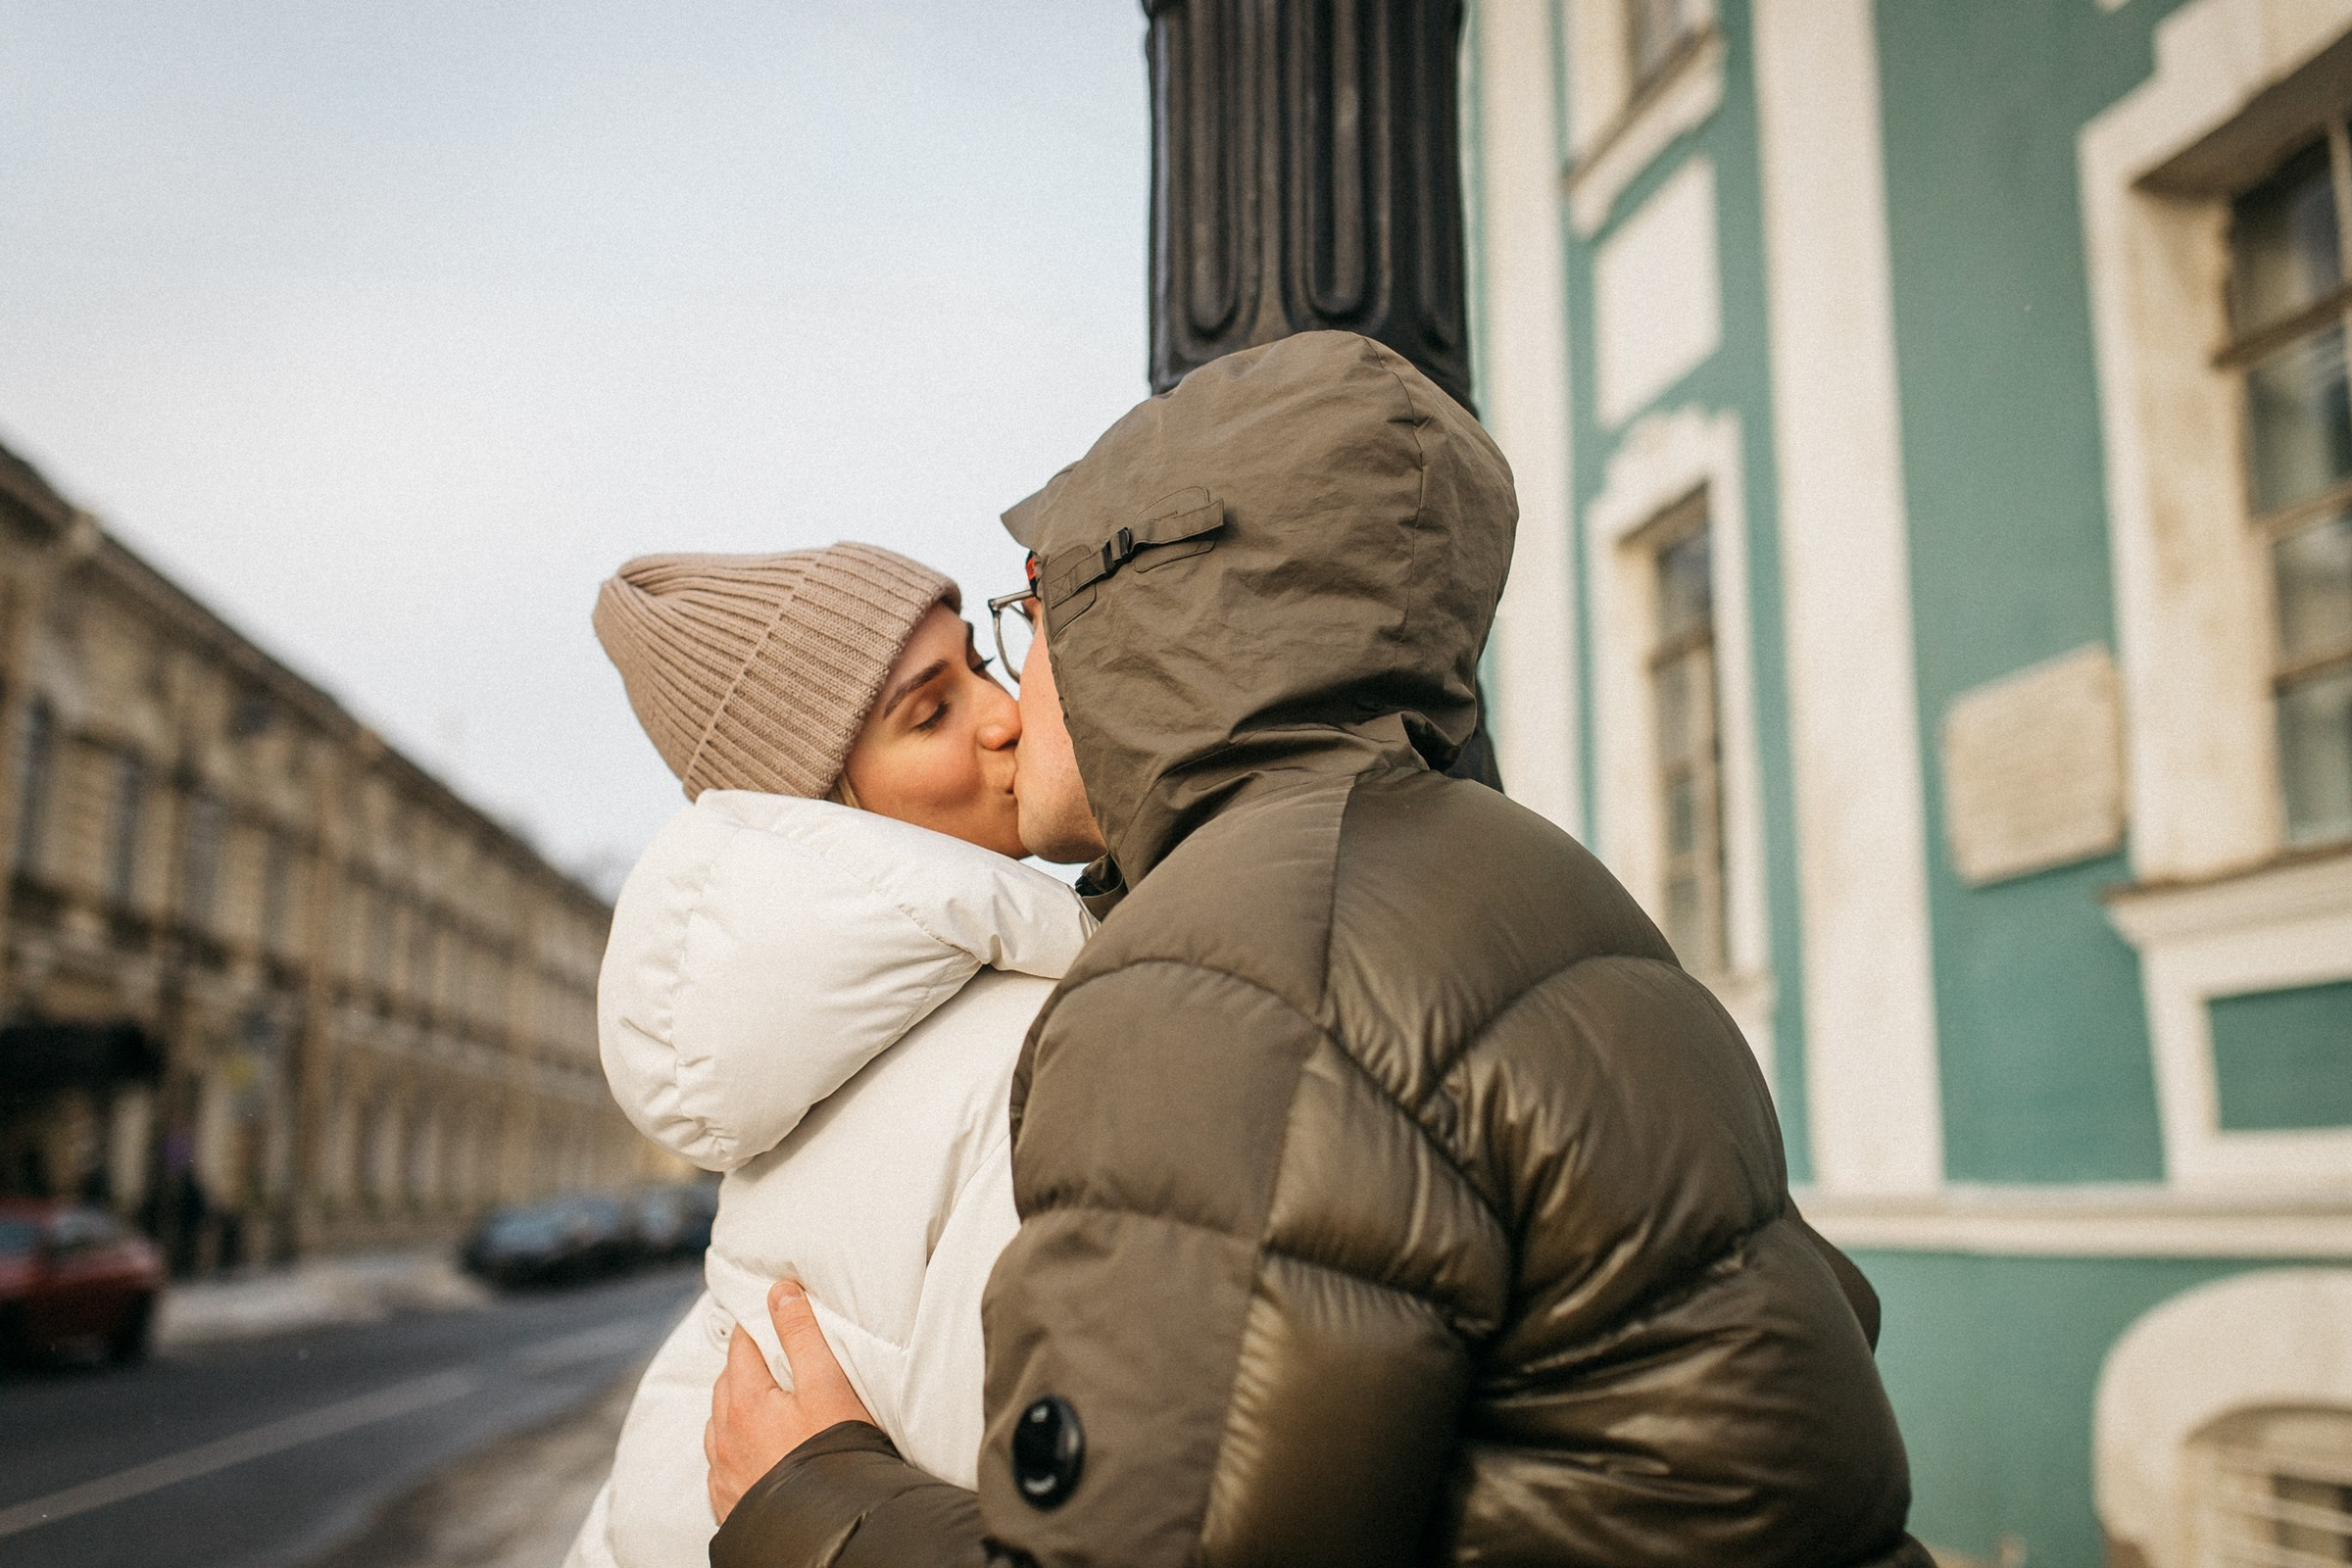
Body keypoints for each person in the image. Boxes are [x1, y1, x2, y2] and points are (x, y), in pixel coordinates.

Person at [703, 332, 1933, 1567]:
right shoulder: (1511, 874)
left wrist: (820, 1507)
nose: (1014, 705)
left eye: (1031, 619)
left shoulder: (1243, 966)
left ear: (1144, 606)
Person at [564, 543, 1095, 1568]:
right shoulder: (1029, 1046)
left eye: (982, 667)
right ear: (818, 814)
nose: (1003, 717)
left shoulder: (840, 1065)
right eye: (930, 711)